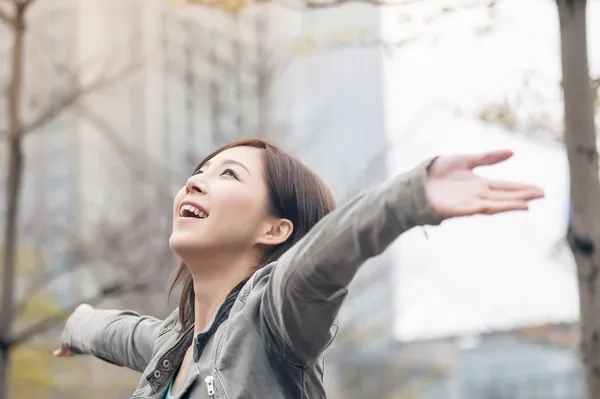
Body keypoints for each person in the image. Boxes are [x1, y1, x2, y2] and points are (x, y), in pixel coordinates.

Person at [54, 138, 544, 399]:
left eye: (227, 174)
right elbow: (114, 331)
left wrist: (409, 197)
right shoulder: (171, 345)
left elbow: (322, 256)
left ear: (275, 229)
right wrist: (76, 327)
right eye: (198, 172)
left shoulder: (273, 316)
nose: (195, 182)